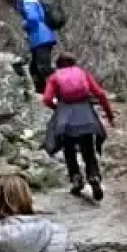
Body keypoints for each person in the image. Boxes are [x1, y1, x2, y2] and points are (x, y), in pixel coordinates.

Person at [41, 53, 115, 201]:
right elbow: (100, 93)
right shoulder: (83, 73)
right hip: (85, 114)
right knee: (88, 149)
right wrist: (110, 115)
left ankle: (76, 177)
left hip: (66, 117)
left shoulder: (55, 77)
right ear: (74, 62)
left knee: (68, 149)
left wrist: (57, 107)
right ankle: (93, 175)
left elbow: (47, 99)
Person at [8, 0, 59, 92]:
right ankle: (43, 90)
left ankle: (58, 90)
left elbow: (33, 18)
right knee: (34, 68)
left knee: (43, 67)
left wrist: (26, 24)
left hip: (40, 38)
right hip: (41, 37)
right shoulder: (31, 1)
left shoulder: (28, 1)